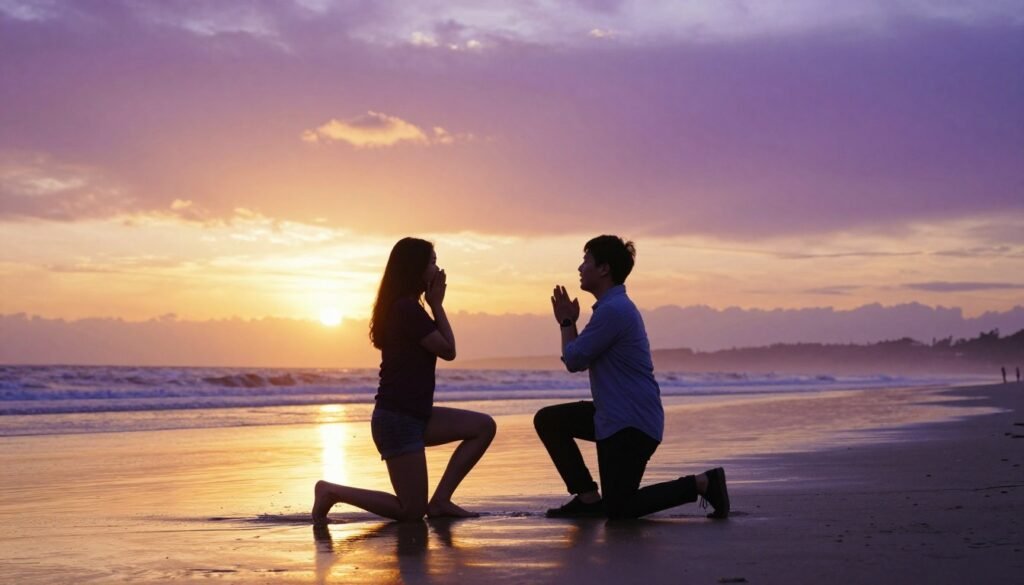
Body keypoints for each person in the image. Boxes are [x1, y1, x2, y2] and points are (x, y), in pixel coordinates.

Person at [534, 235, 730, 520]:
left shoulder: (614, 311)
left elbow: (574, 360)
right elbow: (577, 356)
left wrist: (566, 322)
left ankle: (703, 483)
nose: (580, 267)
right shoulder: (612, 309)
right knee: (549, 420)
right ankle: (587, 498)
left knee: (620, 509)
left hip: (630, 423)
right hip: (615, 416)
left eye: (586, 261)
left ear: (604, 269)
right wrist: (570, 324)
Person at [312, 237, 496, 524]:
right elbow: (448, 350)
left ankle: (441, 500)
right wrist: (437, 304)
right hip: (398, 420)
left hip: (416, 416)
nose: (437, 269)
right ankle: (331, 491)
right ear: (416, 268)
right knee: (410, 511)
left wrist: (433, 305)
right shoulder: (406, 310)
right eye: (432, 262)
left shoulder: (407, 308)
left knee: (483, 426)